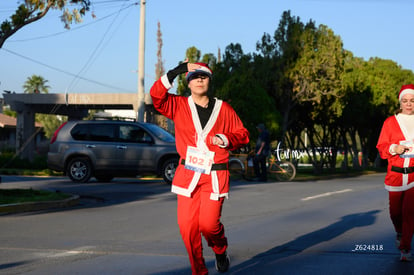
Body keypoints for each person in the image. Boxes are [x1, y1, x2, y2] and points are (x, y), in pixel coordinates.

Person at [150, 61, 250, 274]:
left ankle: (220, 249)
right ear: (188, 82)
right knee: (187, 229)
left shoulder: (224, 108)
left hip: (215, 175)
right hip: (188, 174)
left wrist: (226, 138)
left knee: (208, 225)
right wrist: (176, 71)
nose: (199, 80)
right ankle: (199, 270)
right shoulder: (178, 105)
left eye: (203, 76)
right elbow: (156, 96)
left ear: (209, 80)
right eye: (194, 77)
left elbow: (243, 134)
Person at [377, 84, 414, 262]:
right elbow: (382, 147)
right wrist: (394, 148)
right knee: (395, 213)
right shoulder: (390, 122)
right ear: (400, 103)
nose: (409, 104)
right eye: (405, 101)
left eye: (412, 101)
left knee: (409, 212)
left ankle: (405, 248)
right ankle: (399, 232)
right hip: (396, 174)